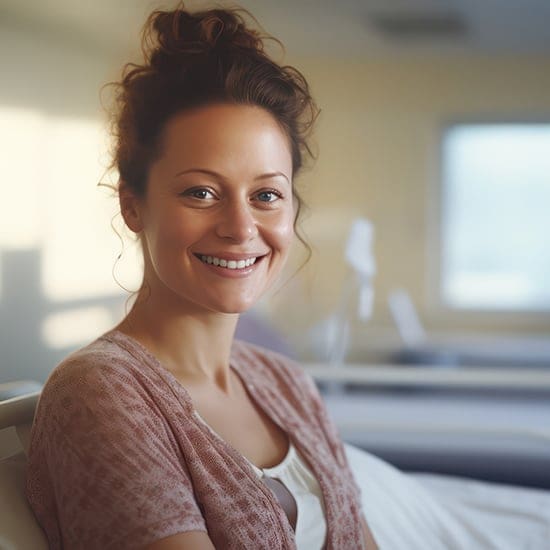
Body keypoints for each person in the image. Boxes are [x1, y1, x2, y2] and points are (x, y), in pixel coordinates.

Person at [25, 3, 378, 549]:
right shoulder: (101, 393)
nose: (241, 228)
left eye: (266, 195)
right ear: (134, 206)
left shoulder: (289, 384)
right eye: (201, 192)